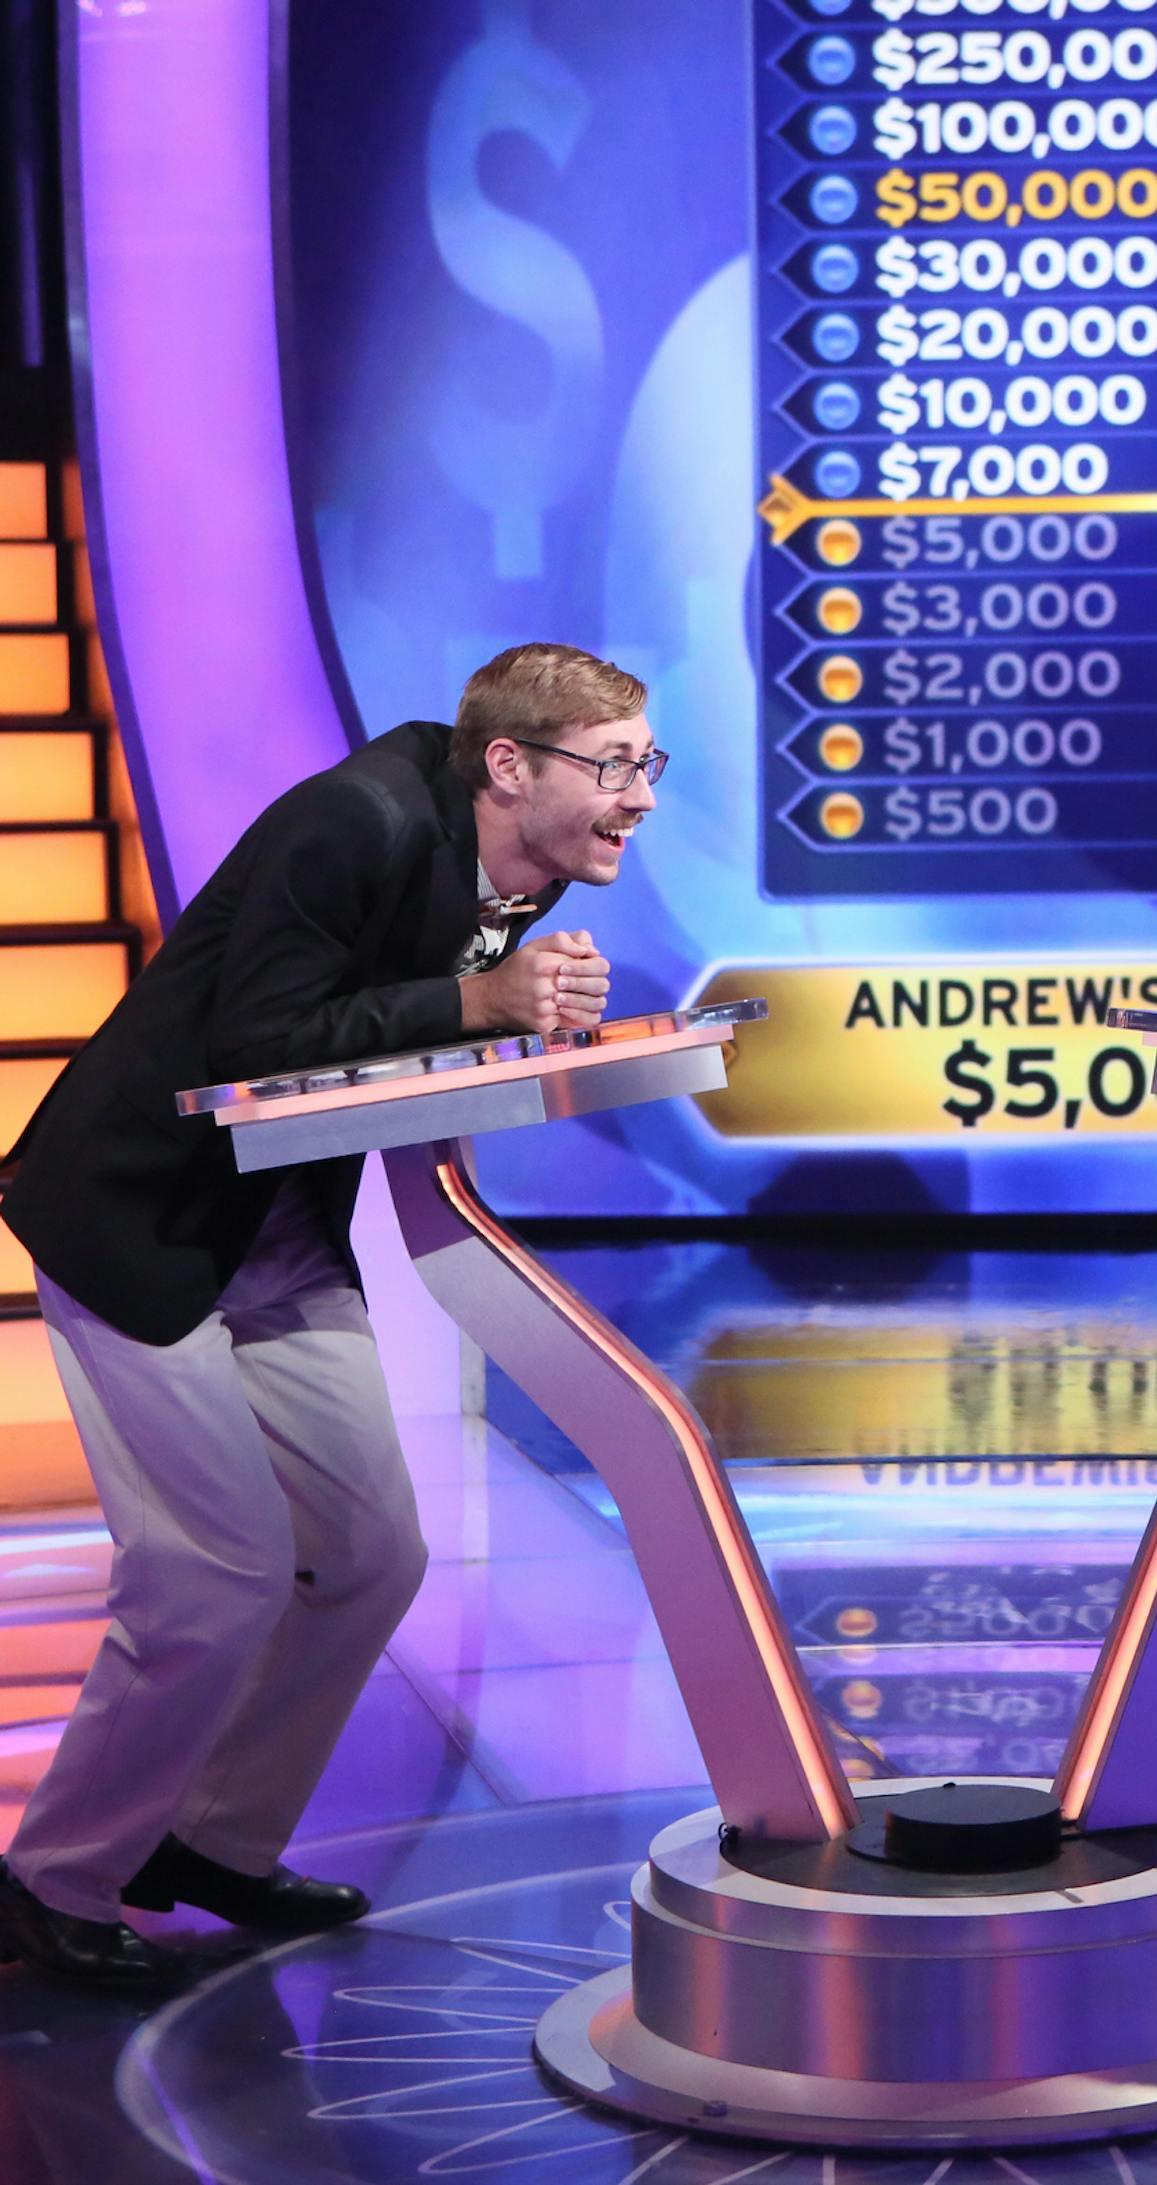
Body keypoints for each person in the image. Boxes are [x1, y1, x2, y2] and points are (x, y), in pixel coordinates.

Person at [0, 641, 664, 1987]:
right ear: (508, 764)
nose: (638, 795)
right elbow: (258, 1036)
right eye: (612, 765)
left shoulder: (508, 860)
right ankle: (53, 1876)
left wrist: (510, 1018)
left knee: (370, 1554)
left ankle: (211, 1839)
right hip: (142, 1225)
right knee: (213, 1572)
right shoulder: (349, 820)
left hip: (281, 1231)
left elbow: (384, 1039)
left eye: (648, 764)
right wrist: (479, 1002)